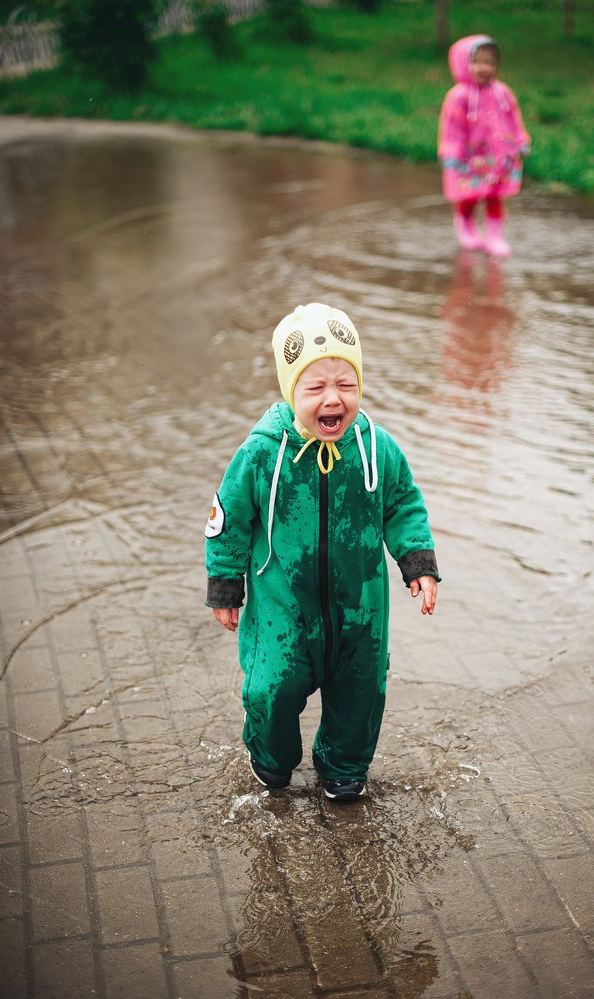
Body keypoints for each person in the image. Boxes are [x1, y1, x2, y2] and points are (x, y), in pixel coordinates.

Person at [204, 302, 440, 803]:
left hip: (360, 608)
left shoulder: (376, 448)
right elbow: (229, 518)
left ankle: (344, 765)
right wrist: (226, 585)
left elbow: (402, 503)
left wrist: (417, 561)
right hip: (282, 606)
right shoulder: (263, 453)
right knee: (271, 688)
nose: (334, 398)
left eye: (346, 384)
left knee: (361, 692)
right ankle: (270, 758)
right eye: (316, 387)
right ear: (292, 391)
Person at [437, 34, 530, 257]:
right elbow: (452, 128)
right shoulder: (459, 96)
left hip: (498, 157)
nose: (483, 68)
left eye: (489, 62)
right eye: (476, 61)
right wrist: (452, 152)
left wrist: (520, 140)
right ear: (463, 63)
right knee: (469, 195)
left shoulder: (502, 92)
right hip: (470, 158)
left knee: (494, 195)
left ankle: (495, 236)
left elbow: (513, 118)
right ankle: (466, 228)